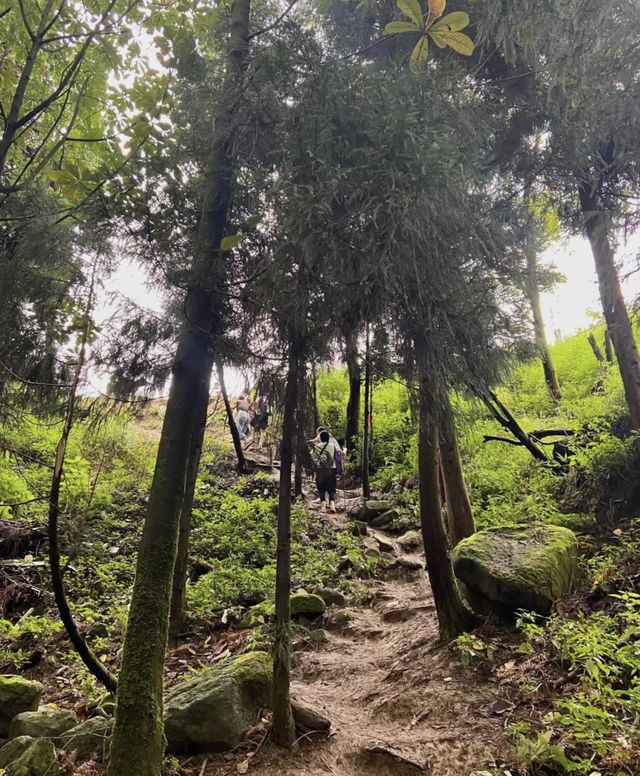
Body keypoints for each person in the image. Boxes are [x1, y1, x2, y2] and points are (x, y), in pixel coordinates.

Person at [310, 430, 339, 513]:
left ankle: (323, 507)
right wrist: (345, 451)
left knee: (321, 487)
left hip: (320, 469)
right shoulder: (333, 446)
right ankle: (332, 506)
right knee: (332, 487)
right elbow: (339, 455)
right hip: (332, 468)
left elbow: (312, 457)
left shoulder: (317, 446)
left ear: (321, 439)